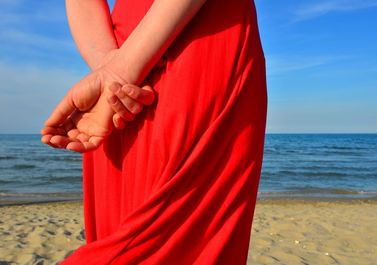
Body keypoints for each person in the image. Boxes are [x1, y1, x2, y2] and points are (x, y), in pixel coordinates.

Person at [41, 0, 268, 263]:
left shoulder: (114, 71)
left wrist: (112, 68)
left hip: (127, 49)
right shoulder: (116, 74)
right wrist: (115, 71)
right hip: (187, 44)